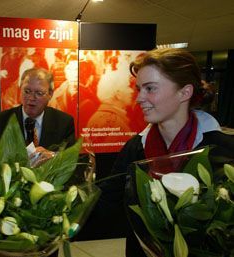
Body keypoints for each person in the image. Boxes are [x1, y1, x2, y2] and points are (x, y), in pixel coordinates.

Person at [96, 48, 234, 257]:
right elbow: (105, 203)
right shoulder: (135, 149)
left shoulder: (222, 149)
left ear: (184, 92)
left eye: (150, 88)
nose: (139, 98)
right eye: (139, 89)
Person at [0, 67, 76, 171]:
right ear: (20, 89)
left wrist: (53, 156)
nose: (31, 98)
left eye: (39, 93)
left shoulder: (63, 122)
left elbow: (73, 161)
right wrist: (17, 168)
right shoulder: (1, 120)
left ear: (50, 94)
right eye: (27, 91)